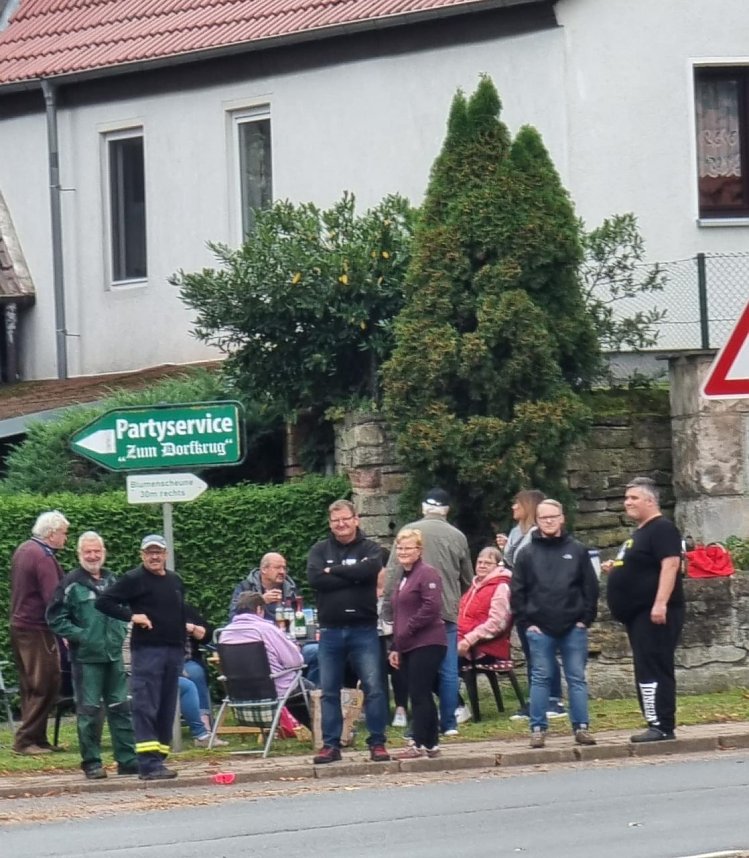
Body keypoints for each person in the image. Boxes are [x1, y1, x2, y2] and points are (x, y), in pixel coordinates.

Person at [46, 531, 138, 778]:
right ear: (79, 554)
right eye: (88, 551)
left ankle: (127, 760)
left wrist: (119, 633)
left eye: (97, 551)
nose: (93, 555)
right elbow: (55, 618)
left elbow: (124, 609)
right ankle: (92, 763)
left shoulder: (112, 580)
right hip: (86, 659)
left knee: (121, 707)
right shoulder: (70, 583)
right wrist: (82, 635)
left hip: (114, 655)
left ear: (104, 552)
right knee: (89, 711)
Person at [96, 534, 186, 780]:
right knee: (146, 706)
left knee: (167, 707)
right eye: (149, 552)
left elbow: (179, 612)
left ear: (166, 554)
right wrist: (131, 617)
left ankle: (160, 758)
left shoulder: (175, 580)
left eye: (158, 552)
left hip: (173, 651)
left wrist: (186, 639)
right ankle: (147, 764)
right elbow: (104, 602)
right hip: (147, 652)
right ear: (142, 555)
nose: (154, 556)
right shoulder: (134, 579)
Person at [510, 499, 599, 749]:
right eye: (543, 518)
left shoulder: (578, 550)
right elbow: (517, 591)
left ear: (562, 518)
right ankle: (537, 728)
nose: (549, 521)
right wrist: (526, 622)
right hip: (539, 627)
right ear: (536, 521)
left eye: (553, 516)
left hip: (573, 627)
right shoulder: (526, 554)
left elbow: (590, 587)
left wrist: (585, 619)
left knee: (576, 678)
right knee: (540, 678)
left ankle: (581, 727)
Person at [307, 499, 389, 764]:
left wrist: (336, 571)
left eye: (345, 519)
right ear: (330, 524)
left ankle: (377, 742)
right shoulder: (319, 550)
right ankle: (331, 745)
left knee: (374, 688)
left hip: (363, 630)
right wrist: (353, 575)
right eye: (335, 521)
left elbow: (370, 569)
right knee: (329, 690)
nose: (340, 524)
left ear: (356, 519)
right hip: (330, 631)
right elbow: (315, 579)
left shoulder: (372, 548)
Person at [384, 487, 473, 736]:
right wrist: (453, 596)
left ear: (423, 508)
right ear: (447, 510)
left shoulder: (407, 533)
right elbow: (467, 577)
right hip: (446, 611)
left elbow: (393, 573)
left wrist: (390, 609)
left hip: (413, 613)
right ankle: (449, 723)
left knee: (415, 671)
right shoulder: (458, 536)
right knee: (448, 670)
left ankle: (421, 726)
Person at [604, 476, 685, 742]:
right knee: (645, 666)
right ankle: (654, 721)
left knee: (654, 666)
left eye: (634, 498)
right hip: (637, 615)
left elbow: (671, 564)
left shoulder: (662, 529)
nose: (627, 503)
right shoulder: (641, 533)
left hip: (655, 613)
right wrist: (615, 568)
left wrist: (660, 603)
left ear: (650, 501)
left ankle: (662, 725)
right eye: (626, 498)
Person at [497, 489, 566, 721]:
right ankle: (536, 700)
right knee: (531, 652)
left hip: (540, 600)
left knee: (544, 651)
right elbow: (512, 562)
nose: (513, 507)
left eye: (516, 503)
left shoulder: (538, 534)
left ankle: (554, 699)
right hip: (522, 599)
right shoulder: (517, 532)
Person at [9, 509, 69, 755]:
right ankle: (25, 741)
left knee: (30, 684)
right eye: (64, 533)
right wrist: (64, 628)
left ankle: (39, 739)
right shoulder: (43, 556)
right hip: (37, 629)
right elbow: (52, 597)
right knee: (45, 682)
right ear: (52, 533)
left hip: (20, 626)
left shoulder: (24, 549)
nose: (65, 538)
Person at [388, 529, 446, 759]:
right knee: (420, 692)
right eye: (400, 548)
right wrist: (396, 645)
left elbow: (431, 608)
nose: (403, 552)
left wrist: (407, 631)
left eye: (408, 548)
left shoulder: (427, 574)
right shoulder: (403, 577)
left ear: (419, 550)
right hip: (408, 642)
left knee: (419, 692)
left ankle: (417, 742)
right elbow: (399, 613)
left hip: (428, 641)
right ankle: (431, 743)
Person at [219, 591, 312, 728]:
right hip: (273, 688)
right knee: (307, 689)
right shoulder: (267, 629)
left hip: (240, 691)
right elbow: (295, 662)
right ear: (258, 609)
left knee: (295, 689)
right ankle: (324, 731)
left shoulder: (225, 633)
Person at [227, 551, 319, 687]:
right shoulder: (246, 587)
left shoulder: (290, 589)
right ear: (264, 569)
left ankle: (314, 696)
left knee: (319, 652)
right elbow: (235, 617)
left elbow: (299, 618)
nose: (282, 572)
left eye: (284, 568)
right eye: (278, 568)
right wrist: (261, 600)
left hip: (291, 644)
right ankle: (304, 693)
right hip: (261, 648)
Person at [457, 546, 513, 670]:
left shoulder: (501, 587)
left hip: (485, 648)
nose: (482, 565)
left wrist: (469, 640)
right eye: (480, 562)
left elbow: (497, 623)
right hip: (463, 641)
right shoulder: (475, 585)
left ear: (498, 566)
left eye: (488, 563)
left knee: (439, 662)